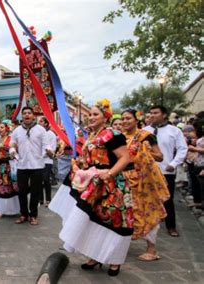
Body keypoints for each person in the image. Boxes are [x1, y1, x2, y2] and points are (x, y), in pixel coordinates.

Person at [49, 99, 132, 276]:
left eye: (95, 114)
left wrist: (108, 174)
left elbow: (125, 158)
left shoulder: (112, 134)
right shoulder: (92, 135)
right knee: (92, 220)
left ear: (105, 117)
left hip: (111, 186)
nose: (90, 117)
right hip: (93, 185)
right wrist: (79, 163)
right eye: (90, 114)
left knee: (113, 222)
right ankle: (95, 255)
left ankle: (115, 260)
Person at [121, 109, 169, 261]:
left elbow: (160, 157)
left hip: (144, 180)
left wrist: (147, 151)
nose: (125, 121)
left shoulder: (146, 136)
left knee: (148, 211)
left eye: (128, 118)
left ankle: (152, 249)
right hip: (125, 179)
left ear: (137, 120)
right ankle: (122, 243)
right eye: (123, 119)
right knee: (126, 212)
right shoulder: (120, 137)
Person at [144, 105, 187, 237]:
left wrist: (173, 164)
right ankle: (147, 225)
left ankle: (171, 226)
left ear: (164, 114)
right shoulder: (145, 131)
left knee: (167, 199)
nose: (152, 115)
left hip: (166, 171)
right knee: (147, 198)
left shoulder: (174, 131)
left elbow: (182, 148)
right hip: (148, 171)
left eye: (156, 113)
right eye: (150, 113)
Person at [9, 107, 48, 225]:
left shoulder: (41, 130)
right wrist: (12, 151)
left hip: (37, 165)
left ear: (33, 116)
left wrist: (46, 153)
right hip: (22, 165)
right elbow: (12, 144)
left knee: (35, 192)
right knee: (22, 191)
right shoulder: (16, 131)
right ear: (22, 116)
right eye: (24, 113)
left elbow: (46, 145)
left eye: (29, 113)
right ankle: (23, 214)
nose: (26, 115)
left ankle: (33, 215)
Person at [0, 122, 19, 219]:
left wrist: (13, 153)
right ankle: (1, 209)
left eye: (2, 127)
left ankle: (12, 209)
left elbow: (14, 150)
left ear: (6, 129)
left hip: (8, 166)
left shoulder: (10, 139)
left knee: (10, 187)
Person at [38, 117, 57, 207]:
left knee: (46, 180)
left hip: (47, 160)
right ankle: (40, 199)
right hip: (38, 161)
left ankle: (48, 199)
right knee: (39, 180)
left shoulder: (51, 134)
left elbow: (52, 148)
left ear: (46, 123)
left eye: (41, 121)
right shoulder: (38, 134)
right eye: (39, 122)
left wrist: (40, 155)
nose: (39, 123)